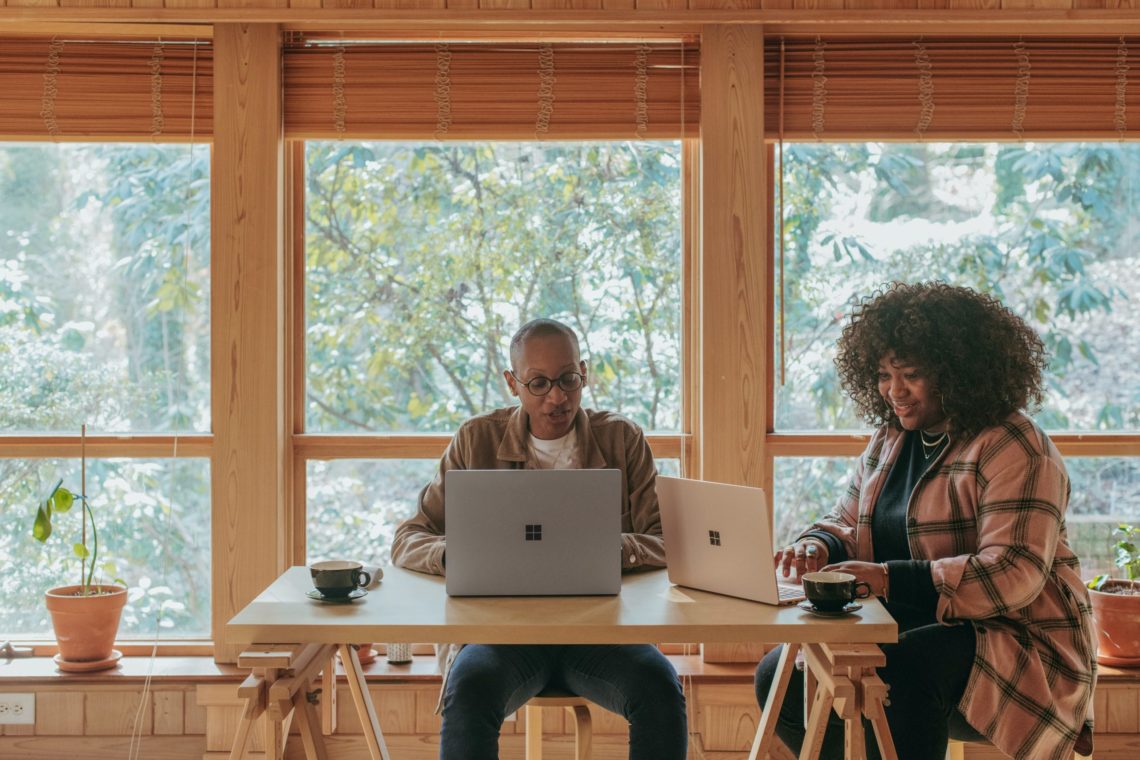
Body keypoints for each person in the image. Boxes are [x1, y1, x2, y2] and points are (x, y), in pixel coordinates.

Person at [755, 282, 1095, 760]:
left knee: (898, 677)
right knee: (779, 677)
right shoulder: (891, 437)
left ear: (957, 372)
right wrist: (818, 545)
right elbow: (848, 520)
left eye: (910, 374)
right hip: (910, 627)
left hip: (1016, 640)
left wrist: (889, 579)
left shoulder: (1014, 446)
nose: (894, 392)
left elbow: (1014, 572)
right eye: (882, 375)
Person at [391, 318, 686, 760]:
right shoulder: (476, 440)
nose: (558, 396)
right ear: (513, 383)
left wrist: (619, 549)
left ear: (584, 372)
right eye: (539, 383)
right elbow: (408, 537)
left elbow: (668, 540)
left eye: (569, 379)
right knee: (468, 690)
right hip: (501, 634)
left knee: (661, 690)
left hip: (602, 632)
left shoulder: (622, 439)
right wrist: (455, 555)